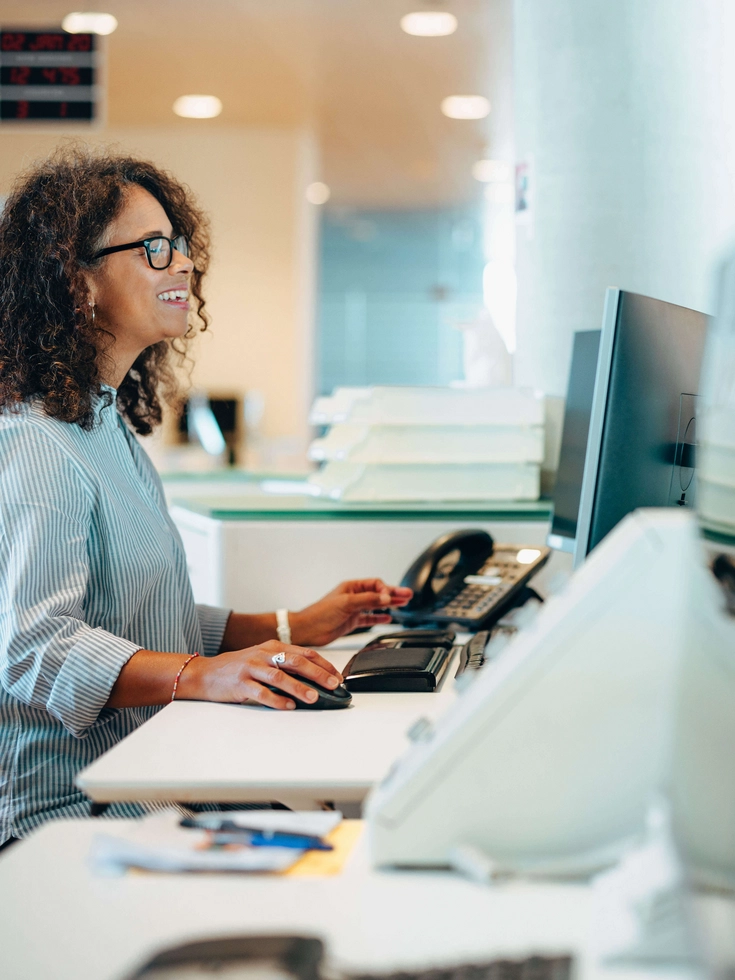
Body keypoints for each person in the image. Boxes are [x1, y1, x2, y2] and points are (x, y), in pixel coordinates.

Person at [0, 149, 412, 846]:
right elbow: (33, 646)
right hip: (65, 818)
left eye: (180, 246)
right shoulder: (34, 442)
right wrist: (203, 675)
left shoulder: (101, 425)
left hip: (154, 780)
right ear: (77, 280)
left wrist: (291, 625)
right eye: (154, 249)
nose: (183, 265)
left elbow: (131, 609)